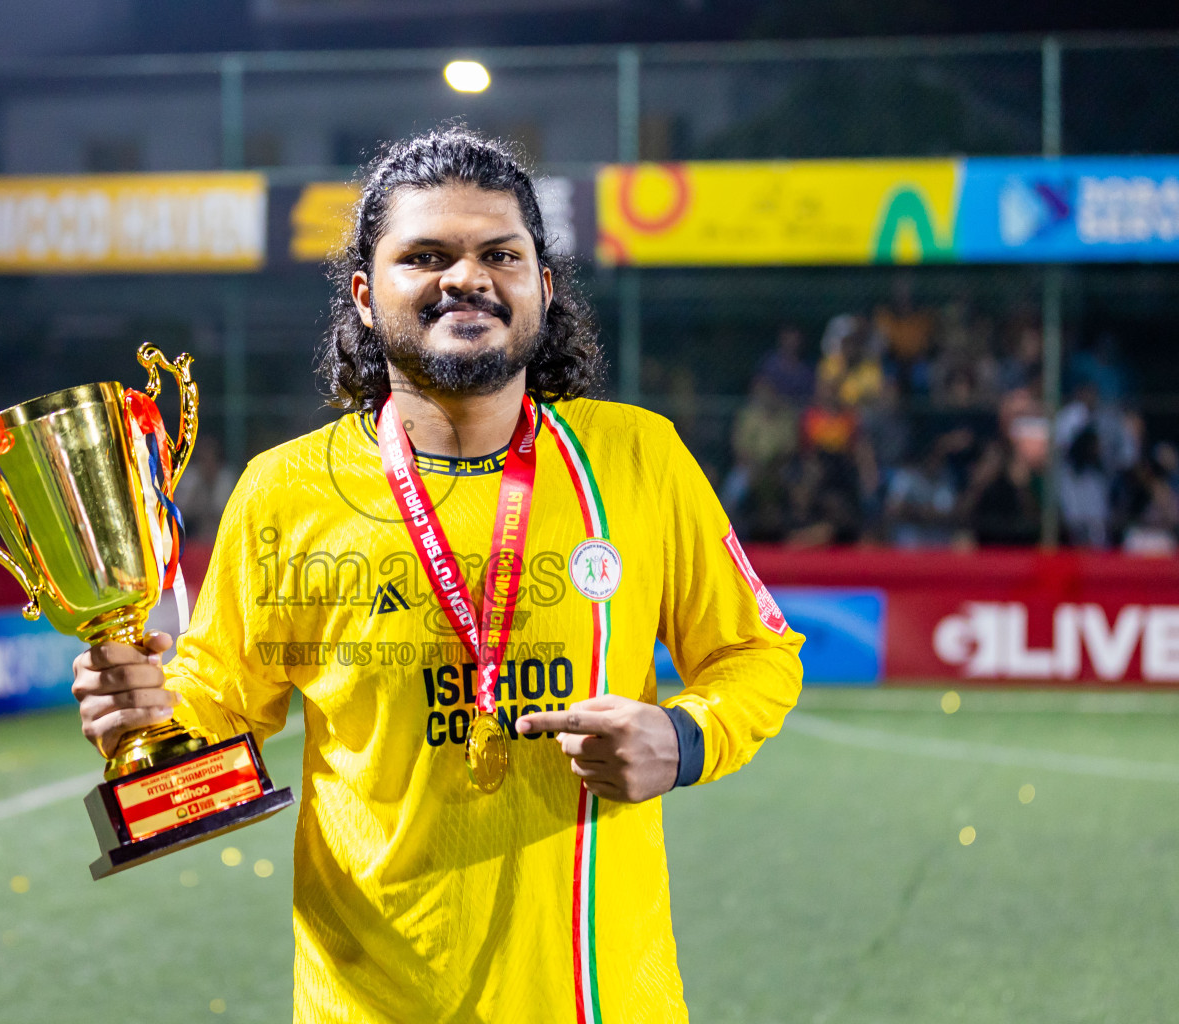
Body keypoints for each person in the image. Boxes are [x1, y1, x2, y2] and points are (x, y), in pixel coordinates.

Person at [71, 129, 804, 1023]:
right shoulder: (285, 490)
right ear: (365, 297)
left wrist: (683, 740)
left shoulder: (638, 459)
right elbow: (221, 705)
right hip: (368, 1003)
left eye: (501, 253)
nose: (468, 277)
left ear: (541, 283)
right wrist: (146, 716)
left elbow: (756, 655)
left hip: (601, 1000)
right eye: (425, 256)